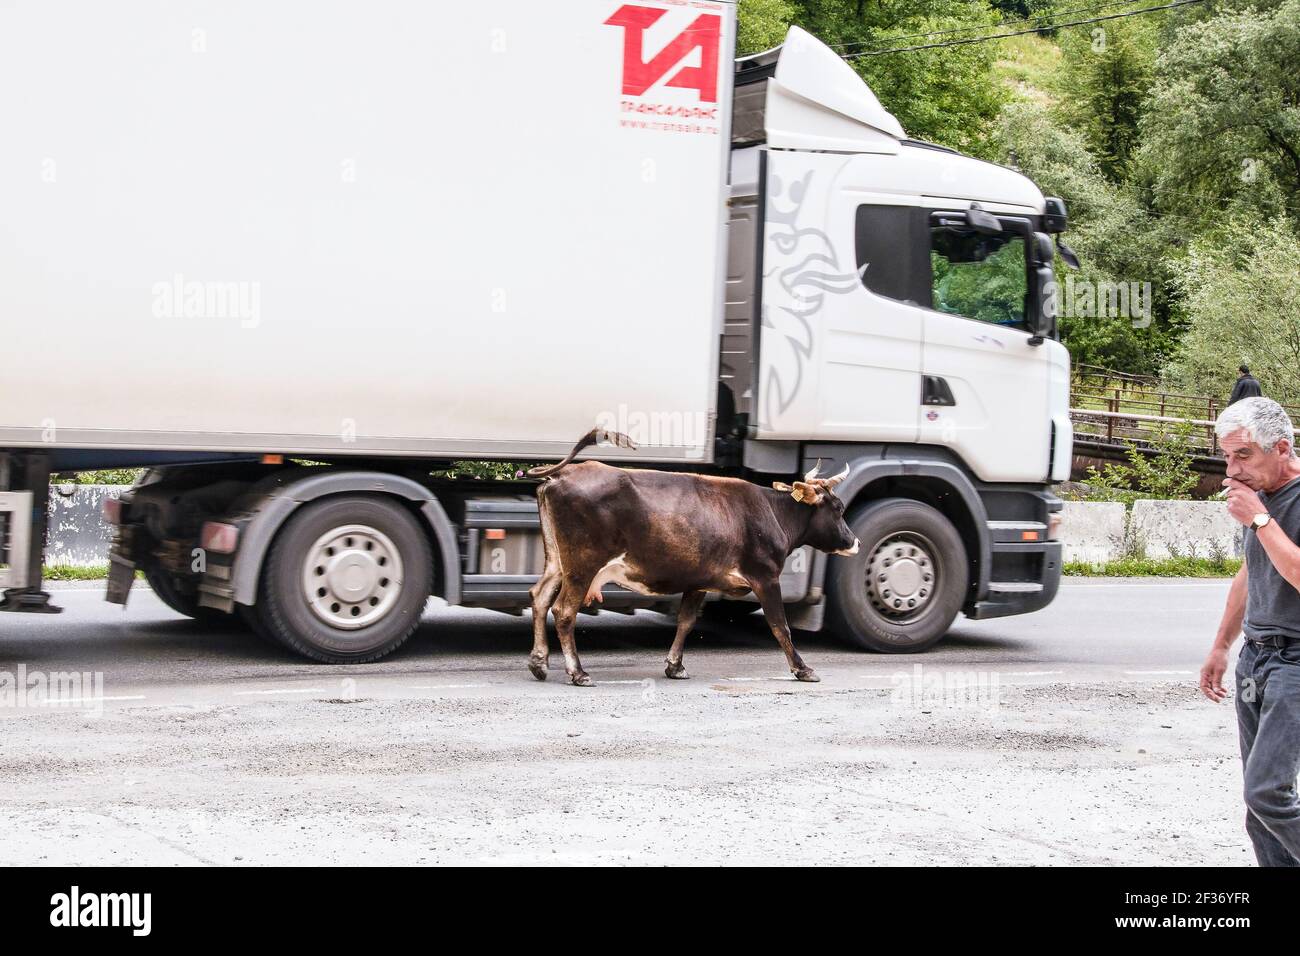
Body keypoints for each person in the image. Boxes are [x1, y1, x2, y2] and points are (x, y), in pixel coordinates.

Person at [1200, 397, 1300, 866]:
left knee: (1267, 793)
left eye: (1244, 456)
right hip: (1256, 659)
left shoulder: (1276, 505)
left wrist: (1259, 519)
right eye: (1226, 456)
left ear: (1281, 448)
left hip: (1294, 662)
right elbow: (1249, 571)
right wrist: (1222, 646)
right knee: (1256, 811)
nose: (1231, 468)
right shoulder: (1259, 500)